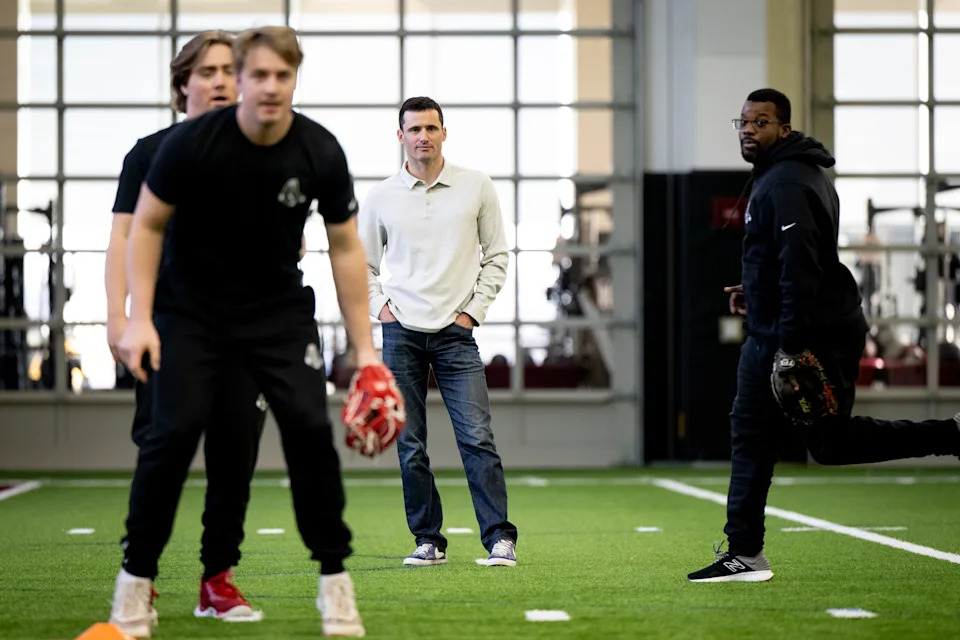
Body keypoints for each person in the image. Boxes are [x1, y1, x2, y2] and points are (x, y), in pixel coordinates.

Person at [110, 26, 395, 638]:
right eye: (257, 75)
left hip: (275, 315)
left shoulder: (319, 150)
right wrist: (136, 320)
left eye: (282, 77)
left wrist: (367, 353)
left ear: (295, 79)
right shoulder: (186, 146)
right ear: (239, 77)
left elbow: (345, 246)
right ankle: (135, 583)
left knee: (310, 430)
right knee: (173, 433)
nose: (269, 87)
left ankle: (335, 583)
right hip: (190, 315)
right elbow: (144, 228)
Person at [687, 88, 960, 583]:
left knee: (829, 444)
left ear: (783, 129)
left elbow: (802, 266)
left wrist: (792, 345)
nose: (749, 130)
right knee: (749, 431)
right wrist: (753, 291)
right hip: (774, 328)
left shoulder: (789, 182)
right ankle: (745, 552)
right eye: (743, 122)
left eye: (761, 122)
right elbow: (782, 263)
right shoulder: (775, 176)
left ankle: (952, 434)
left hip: (806, 334)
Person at [105, 30, 266, 622]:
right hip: (168, 328)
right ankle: (138, 576)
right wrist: (119, 317)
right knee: (164, 446)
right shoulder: (149, 153)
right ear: (182, 86)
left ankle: (217, 581)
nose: (222, 81)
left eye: (231, 70)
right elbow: (123, 236)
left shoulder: (267, 154)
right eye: (207, 71)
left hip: (245, 334)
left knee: (235, 455)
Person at [358, 96, 518, 567]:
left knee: (477, 439)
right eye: (414, 129)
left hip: (456, 332)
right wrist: (382, 309)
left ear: (444, 132)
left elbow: (498, 255)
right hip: (400, 332)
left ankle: (499, 540)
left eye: (431, 128)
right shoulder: (382, 195)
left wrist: (472, 313)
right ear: (400, 135)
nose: (423, 136)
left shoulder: (476, 186)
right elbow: (362, 264)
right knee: (410, 445)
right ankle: (428, 540)